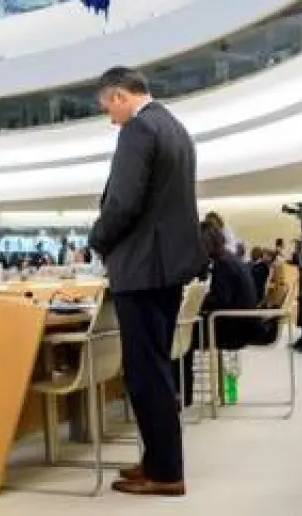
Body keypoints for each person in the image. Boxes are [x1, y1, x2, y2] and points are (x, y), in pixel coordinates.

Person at [88, 67, 204, 496]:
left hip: (142, 269)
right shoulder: (174, 127)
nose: (110, 119)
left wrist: (96, 240)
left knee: (145, 373)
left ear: (120, 95)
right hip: (165, 267)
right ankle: (159, 460)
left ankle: (166, 472)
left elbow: (123, 202)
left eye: (108, 108)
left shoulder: (138, 129)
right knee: (156, 367)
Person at [181, 223, 259, 406]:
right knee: (187, 333)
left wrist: (195, 302)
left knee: (182, 336)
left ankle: (183, 393)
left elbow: (220, 300)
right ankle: (183, 392)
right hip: (241, 322)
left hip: (235, 328)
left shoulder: (223, 264)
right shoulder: (229, 259)